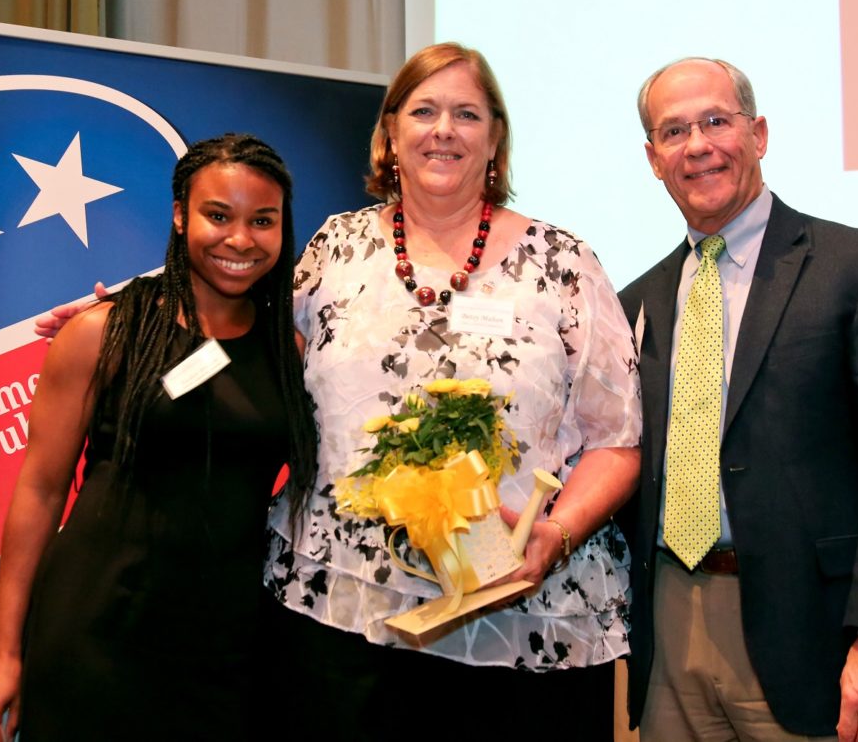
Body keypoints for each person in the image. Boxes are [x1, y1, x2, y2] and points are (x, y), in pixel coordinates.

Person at [254, 42, 640, 740]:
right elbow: (249, 352)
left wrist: (554, 534)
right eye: (423, 111)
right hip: (340, 609)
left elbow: (616, 441)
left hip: (523, 619)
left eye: (467, 114)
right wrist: (127, 313)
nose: (444, 130)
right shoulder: (334, 249)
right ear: (390, 132)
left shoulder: (563, 263)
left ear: (495, 139)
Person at [617, 57, 858, 742]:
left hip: (822, 637)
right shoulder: (636, 300)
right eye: (675, 131)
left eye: (717, 121)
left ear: (759, 134)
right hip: (669, 630)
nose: (698, 145)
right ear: (654, 159)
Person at [0, 134, 317, 742]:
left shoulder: (289, 352)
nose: (241, 240)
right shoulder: (102, 333)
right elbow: (40, 491)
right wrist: (4, 651)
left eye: (262, 221)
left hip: (226, 649)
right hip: (95, 631)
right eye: (218, 215)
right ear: (181, 215)